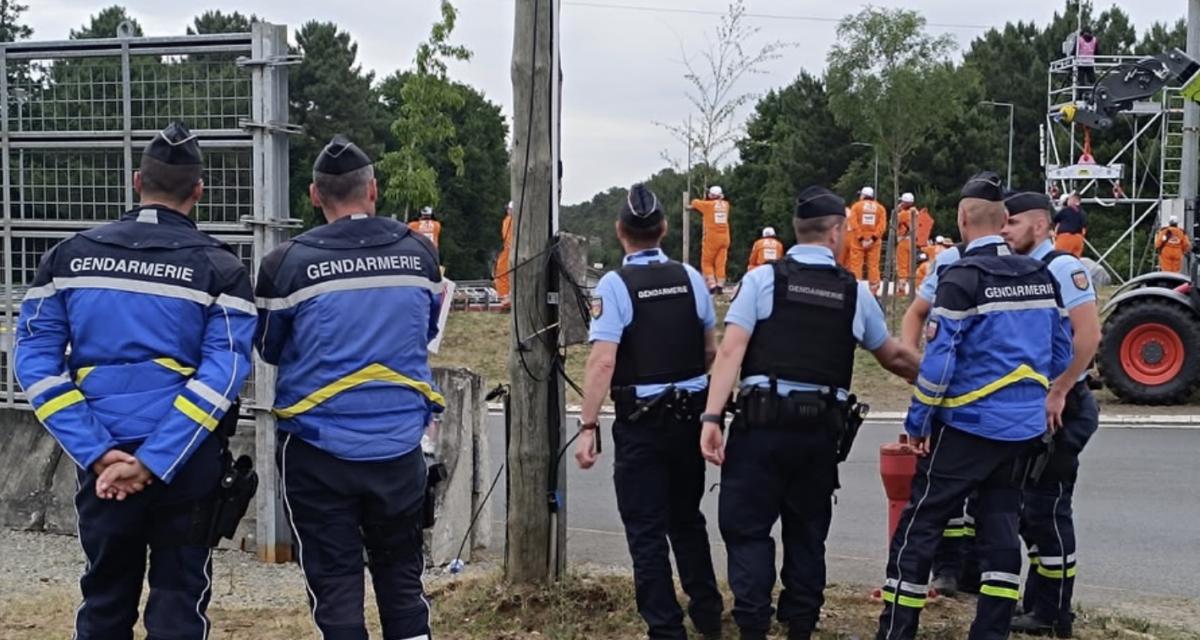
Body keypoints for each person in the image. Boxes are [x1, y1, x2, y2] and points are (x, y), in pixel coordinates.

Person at [14, 121, 256, 640]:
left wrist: (99, 453)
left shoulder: (67, 258)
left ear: (134, 180)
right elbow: (227, 371)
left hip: (101, 467)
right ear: (198, 191)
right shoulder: (220, 267)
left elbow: (33, 360)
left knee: (103, 600)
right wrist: (154, 461)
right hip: (188, 465)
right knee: (179, 606)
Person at [700, 186, 919, 640]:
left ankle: (753, 626)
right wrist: (944, 384)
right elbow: (894, 358)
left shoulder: (762, 281)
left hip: (760, 429)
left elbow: (730, 354)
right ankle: (800, 625)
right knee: (806, 533)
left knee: (747, 531)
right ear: (837, 230)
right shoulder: (853, 293)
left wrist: (711, 418)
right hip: (819, 434)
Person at [255, 135, 444, 640]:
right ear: (374, 190)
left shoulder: (284, 263)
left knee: (336, 590)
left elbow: (270, 349)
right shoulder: (420, 254)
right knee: (403, 583)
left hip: (318, 451)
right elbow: (425, 332)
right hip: (400, 449)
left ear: (316, 195)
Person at [875, 177, 1073, 640]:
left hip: (966, 426)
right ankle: (991, 632)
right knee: (1001, 530)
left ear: (963, 220)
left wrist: (918, 420)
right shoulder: (1041, 275)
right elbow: (1061, 355)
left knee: (919, 528)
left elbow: (940, 366)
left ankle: (896, 631)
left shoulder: (961, 278)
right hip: (1023, 431)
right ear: (1004, 221)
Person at [575, 183, 724, 640]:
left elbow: (604, 360)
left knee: (645, 529)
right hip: (689, 418)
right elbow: (709, 351)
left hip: (643, 421)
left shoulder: (615, 286)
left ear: (621, 232)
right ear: (663, 230)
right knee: (687, 518)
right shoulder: (691, 277)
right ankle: (708, 613)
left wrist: (586, 425)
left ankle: (665, 627)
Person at [1002, 191, 1102, 638]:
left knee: (1048, 509)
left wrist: (1060, 389)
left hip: (1063, 405)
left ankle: (1054, 614)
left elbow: (1089, 336)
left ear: (1040, 226)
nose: (1004, 231)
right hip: (1035, 406)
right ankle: (1039, 602)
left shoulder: (1063, 268)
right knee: (1031, 511)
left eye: (1012, 223)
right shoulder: (1022, 271)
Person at [691, 185, 732, 293]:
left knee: (706, 262)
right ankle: (720, 285)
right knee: (721, 263)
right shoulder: (726, 205)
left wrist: (703, 199)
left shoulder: (708, 205)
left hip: (712, 238)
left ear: (711, 195)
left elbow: (695, 202)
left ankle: (712, 285)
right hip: (725, 238)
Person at [849, 186, 888, 295]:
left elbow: (853, 223)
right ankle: (874, 291)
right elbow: (882, 226)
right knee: (874, 265)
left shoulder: (856, 207)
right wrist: (873, 239)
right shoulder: (880, 208)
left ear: (863, 195)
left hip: (858, 242)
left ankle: (856, 290)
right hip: (874, 243)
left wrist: (861, 238)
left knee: (856, 265)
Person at [895, 193, 933, 296]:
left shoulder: (903, 214)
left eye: (902, 202)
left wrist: (897, 210)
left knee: (902, 266)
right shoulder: (916, 212)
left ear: (904, 202)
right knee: (910, 266)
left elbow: (894, 222)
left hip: (904, 241)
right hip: (914, 242)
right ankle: (912, 290)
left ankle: (901, 290)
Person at [1052, 194, 1087, 258]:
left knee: (1059, 258)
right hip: (1079, 239)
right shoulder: (1083, 213)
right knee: (1074, 261)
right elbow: (1084, 228)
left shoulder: (1066, 210)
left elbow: (1054, 219)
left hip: (1066, 238)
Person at [494, 201, 514, 307]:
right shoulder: (507, 221)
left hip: (510, 250)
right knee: (502, 273)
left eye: (509, 209)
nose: (507, 211)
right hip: (508, 249)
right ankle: (505, 297)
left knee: (503, 273)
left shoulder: (510, 221)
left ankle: (505, 297)